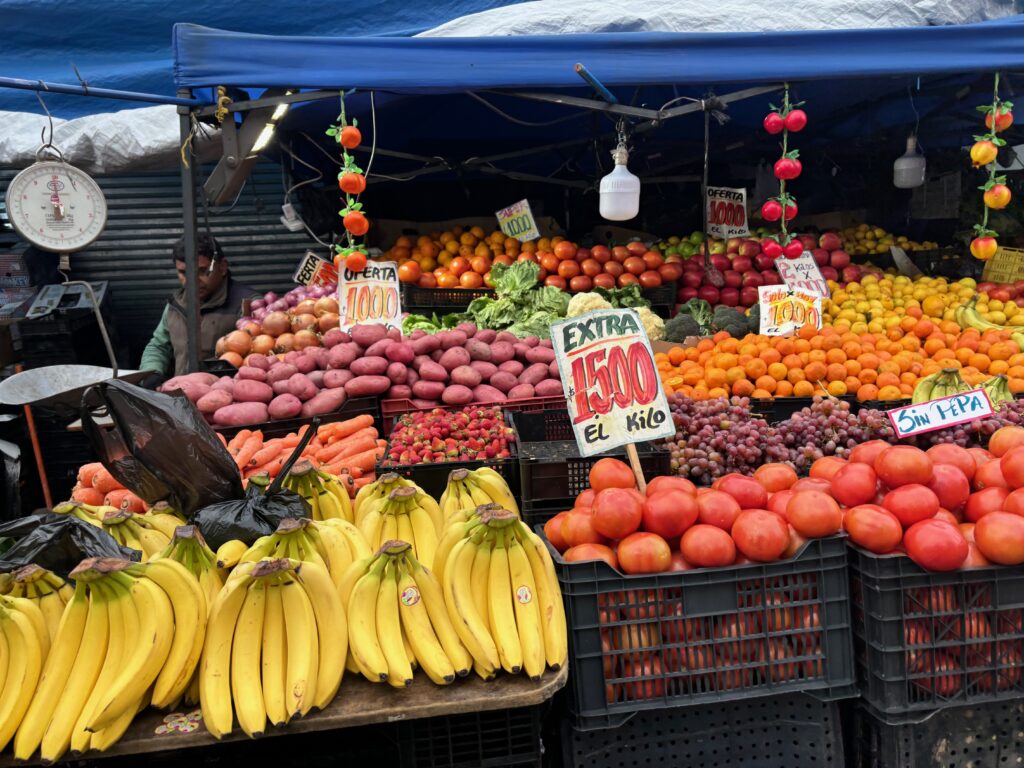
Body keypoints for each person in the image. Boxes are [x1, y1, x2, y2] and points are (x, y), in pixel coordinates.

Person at [140, 233, 257, 385]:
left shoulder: (248, 305)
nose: (191, 281)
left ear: (222, 267)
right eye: (183, 273)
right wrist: (151, 373)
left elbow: (258, 354)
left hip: (226, 397)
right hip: (182, 395)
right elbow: (159, 346)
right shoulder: (175, 305)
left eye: (201, 271)